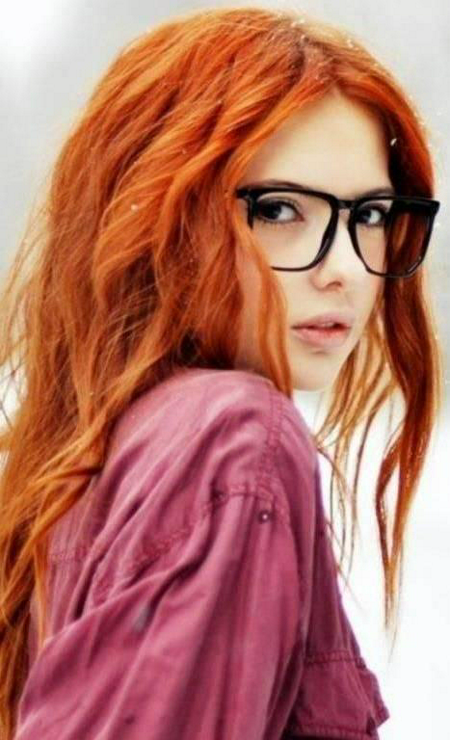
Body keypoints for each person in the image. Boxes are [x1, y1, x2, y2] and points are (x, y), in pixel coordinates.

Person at [0, 5, 443, 739]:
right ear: (158, 217)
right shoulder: (235, 440)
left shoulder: (98, 457)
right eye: (279, 210)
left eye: (370, 215)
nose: (346, 268)